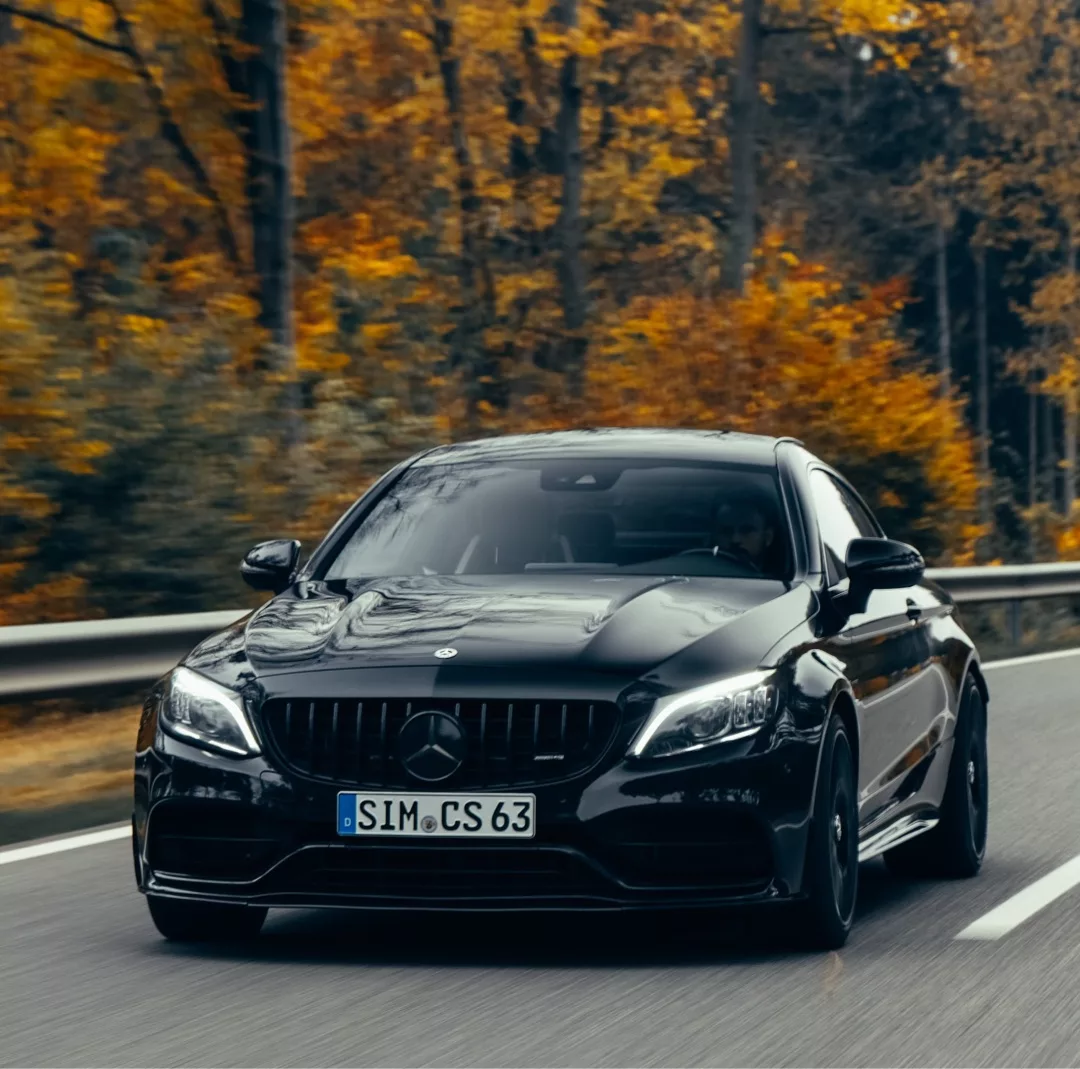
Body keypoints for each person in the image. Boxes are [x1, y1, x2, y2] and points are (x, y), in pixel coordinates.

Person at [710, 492, 779, 573]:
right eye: (726, 531)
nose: (735, 540)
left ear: (768, 537)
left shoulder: (785, 578)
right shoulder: (701, 573)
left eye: (746, 530)